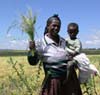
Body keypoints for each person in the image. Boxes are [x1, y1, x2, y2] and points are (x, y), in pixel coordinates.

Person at [27, 15, 82, 95]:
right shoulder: (40, 43)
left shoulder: (63, 41)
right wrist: (32, 50)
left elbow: (73, 54)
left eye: (58, 26)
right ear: (48, 26)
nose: (56, 28)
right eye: (54, 25)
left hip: (70, 80)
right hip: (54, 82)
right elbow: (33, 62)